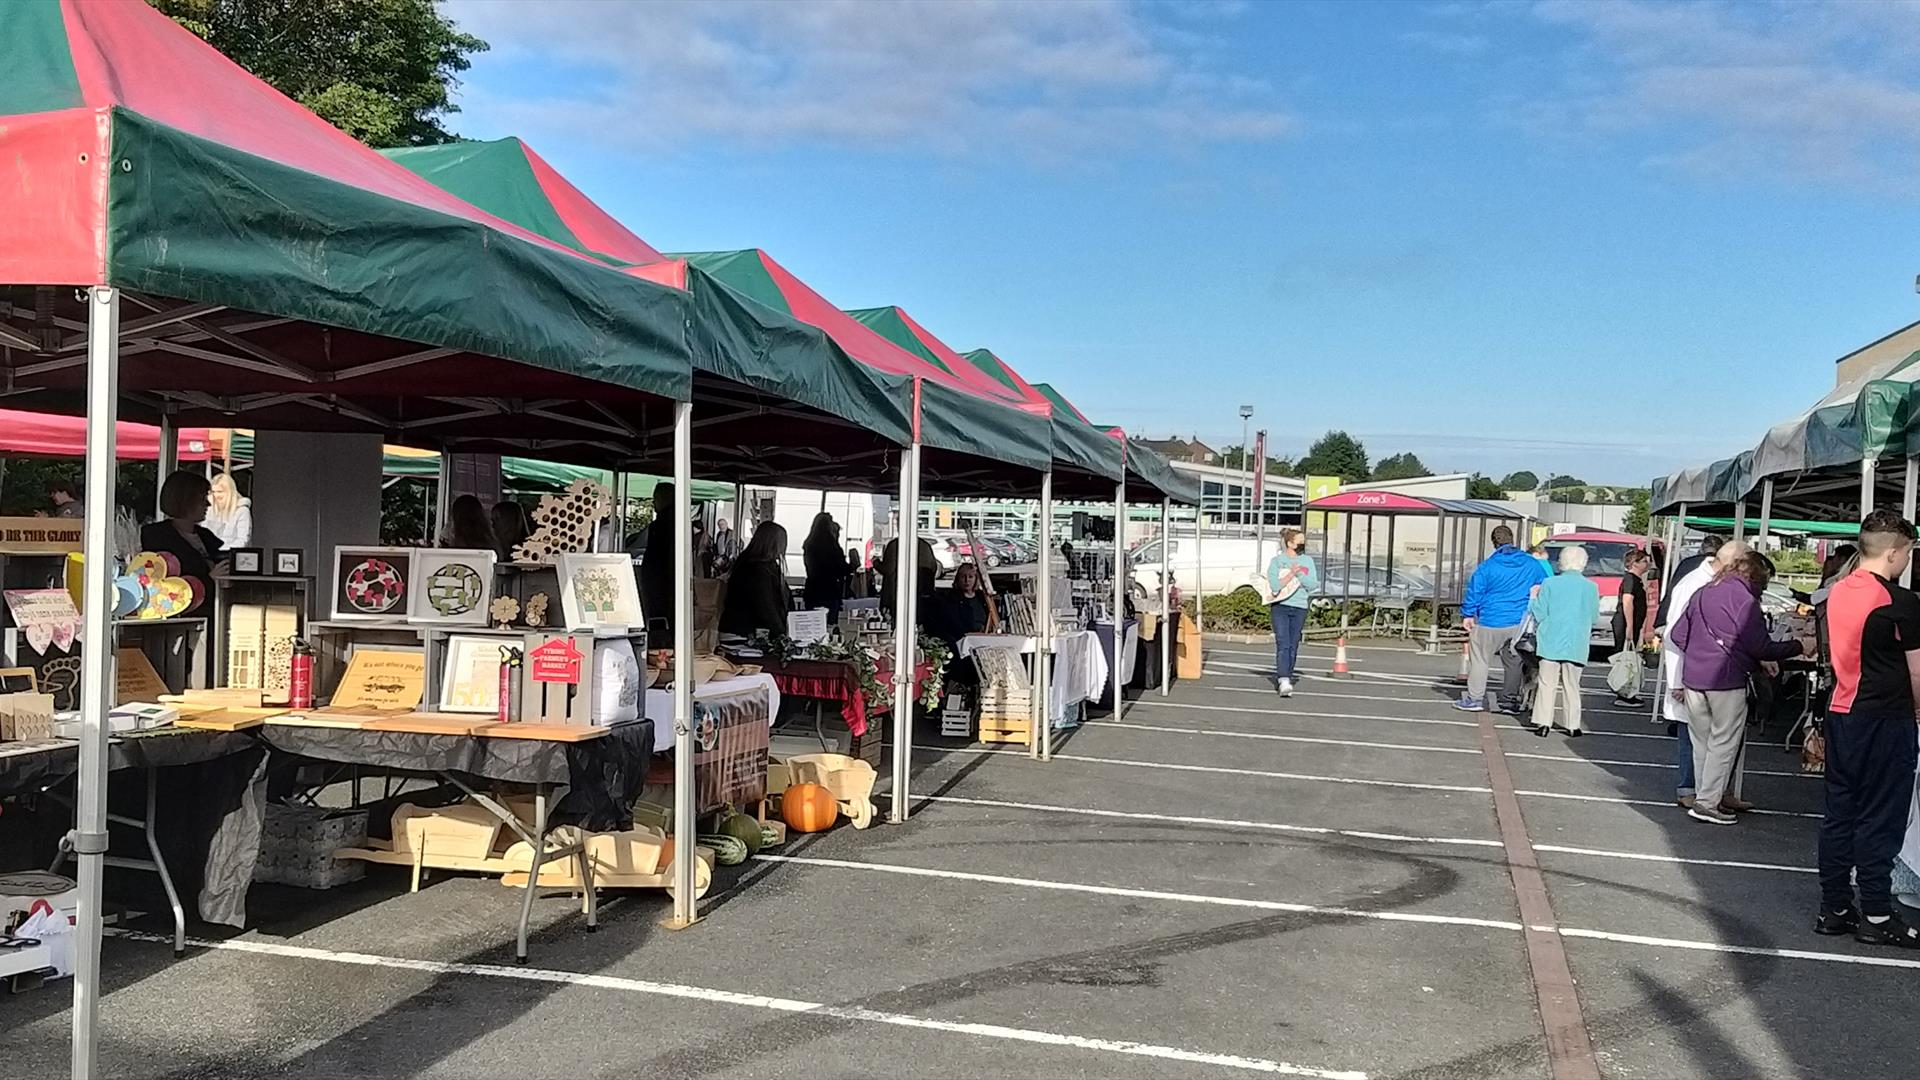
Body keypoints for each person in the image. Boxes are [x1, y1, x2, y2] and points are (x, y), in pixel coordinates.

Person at [1815, 510, 1920, 946]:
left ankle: (1835, 907)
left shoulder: (1838, 592)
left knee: (1840, 815)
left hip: (1843, 711)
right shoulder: (1901, 603)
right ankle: (1876, 914)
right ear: (1895, 552)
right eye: (1908, 553)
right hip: (1886, 717)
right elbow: (1917, 673)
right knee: (1882, 817)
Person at [1670, 550, 1806, 826]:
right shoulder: (1746, 602)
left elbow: (1677, 635)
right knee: (1723, 743)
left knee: (1702, 743)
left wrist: (1699, 654)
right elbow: (1761, 647)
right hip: (1726, 681)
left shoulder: (1703, 592)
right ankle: (1708, 803)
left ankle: (1703, 796)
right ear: (1758, 577)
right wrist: (1798, 646)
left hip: (1694, 679)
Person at [1659, 538, 1740, 808]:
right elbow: (1675, 635)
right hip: (1691, 673)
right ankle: (1688, 788)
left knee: (1706, 735)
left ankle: (1711, 789)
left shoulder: (1709, 581)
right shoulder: (1692, 584)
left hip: (1702, 673)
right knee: (1691, 734)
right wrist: (1677, 679)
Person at [1454, 525, 1549, 713]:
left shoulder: (1488, 566)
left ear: (1494, 542)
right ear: (1512, 539)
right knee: (1514, 661)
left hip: (1490, 619)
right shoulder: (1531, 564)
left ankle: (1474, 699)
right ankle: (1509, 701)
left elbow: (1475, 591)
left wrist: (1468, 614)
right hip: (1518, 621)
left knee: (1480, 659)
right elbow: (1544, 586)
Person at [1527, 545, 1601, 737]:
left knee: (1546, 683)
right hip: (1576, 641)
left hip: (1550, 639)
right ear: (1583, 563)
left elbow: (1540, 613)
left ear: (1561, 562)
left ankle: (1543, 723)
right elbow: (1593, 617)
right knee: (1572, 685)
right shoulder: (1591, 587)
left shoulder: (1550, 584)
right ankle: (1572, 725)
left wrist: (1533, 598)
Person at [141, 471, 226, 614]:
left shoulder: (206, 537)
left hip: (215, 611)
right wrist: (209, 580)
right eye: (202, 498)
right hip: (184, 618)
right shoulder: (157, 536)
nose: (208, 504)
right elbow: (161, 585)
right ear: (186, 500)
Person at [1265, 527, 1319, 697]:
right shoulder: (1277, 561)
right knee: (1283, 643)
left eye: (1304, 542)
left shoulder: (1308, 561)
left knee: (1293, 644)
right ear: (1290, 543)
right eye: (1299, 541)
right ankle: (1283, 679)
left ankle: (1288, 672)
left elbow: (1312, 584)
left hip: (1300, 607)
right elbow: (1275, 585)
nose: (1302, 544)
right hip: (1280, 606)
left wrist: (1300, 576)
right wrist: (1291, 574)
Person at [720, 521, 792, 637]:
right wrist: (781, 633)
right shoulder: (758, 569)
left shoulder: (749, 562)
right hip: (745, 631)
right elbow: (765, 605)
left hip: (740, 628)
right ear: (773, 544)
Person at [1612, 548, 1653, 705]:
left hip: (1631, 623)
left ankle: (1626, 692)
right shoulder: (1630, 579)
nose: (1648, 564)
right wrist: (1629, 626)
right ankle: (1623, 694)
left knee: (1629, 657)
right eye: (1644, 561)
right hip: (1625, 623)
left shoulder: (1636, 580)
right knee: (1626, 658)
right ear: (1634, 564)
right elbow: (1627, 602)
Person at [639, 482, 677, 636]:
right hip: (669, 580)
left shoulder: (660, 525)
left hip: (660, 581)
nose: (654, 503)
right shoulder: (677, 521)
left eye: (655, 499)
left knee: (658, 617)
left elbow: (655, 557)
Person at [802, 512, 851, 618]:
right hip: (829, 592)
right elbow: (840, 570)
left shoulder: (808, 545)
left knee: (813, 624)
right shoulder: (832, 548)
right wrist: (852, 566)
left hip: (812, 591)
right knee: (830, 625)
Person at [878, 534, 939, 616]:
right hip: (922, 597)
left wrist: (876, 563)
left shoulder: (895, 545)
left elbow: (888, 569)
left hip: (897, 596)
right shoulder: (925, 546)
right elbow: (933, 568)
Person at [944, 562, 1000, 639]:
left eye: (970, 577)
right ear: (958, 579)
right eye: (963, 577)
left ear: (975, 579)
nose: (967, 580)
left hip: (985, 636)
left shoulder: (982, 596)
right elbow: (953, 624)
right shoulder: (952, 598)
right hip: (964, 638)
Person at [202, 472, 252, 549]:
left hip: (230, 555)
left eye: (220, 492)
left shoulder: (242, 511)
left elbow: (243, 540)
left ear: (229, 492)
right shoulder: (209, 509)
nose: (216, 495)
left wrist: (219, 549)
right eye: (213, 492)